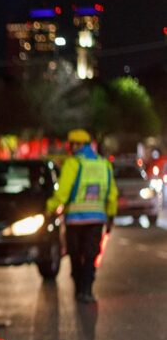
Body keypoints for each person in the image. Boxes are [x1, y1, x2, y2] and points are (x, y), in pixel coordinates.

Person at [45, 129, 117, 303]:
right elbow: (111, 193)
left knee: (75, 254)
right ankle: (87, 289)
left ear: (76, 145)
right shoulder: (104, 164)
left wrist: (49, 209)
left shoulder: (73, 164)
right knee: (91, 255)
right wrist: (111, 215)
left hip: (75, 221)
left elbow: (62, 192)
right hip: (97, 219)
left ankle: (79, 288)